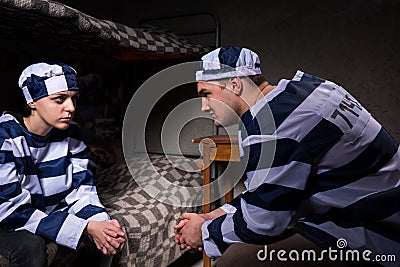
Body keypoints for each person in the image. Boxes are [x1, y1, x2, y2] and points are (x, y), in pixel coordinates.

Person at [174, 47, 400, 266]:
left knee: (235, 261)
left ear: (235, 84)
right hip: (381, 200)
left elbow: (266, 221)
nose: (204, 106)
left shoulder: (273, 126)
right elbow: (269, 192)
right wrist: (213, 215)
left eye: (207, 94)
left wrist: (204, 232)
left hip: (380, 228)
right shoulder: (308, 89)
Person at [0, 62, 125, 267]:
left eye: (74, 99)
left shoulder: (71, 133)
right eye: (59, 99)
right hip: (7, 216)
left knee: (104, 237)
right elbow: (10, 209)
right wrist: (84, 228)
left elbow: (81, 188)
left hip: (47, 211)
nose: (71, 108)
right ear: (32, 101)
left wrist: (100, 223)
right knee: (31, 248)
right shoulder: (5, 136)